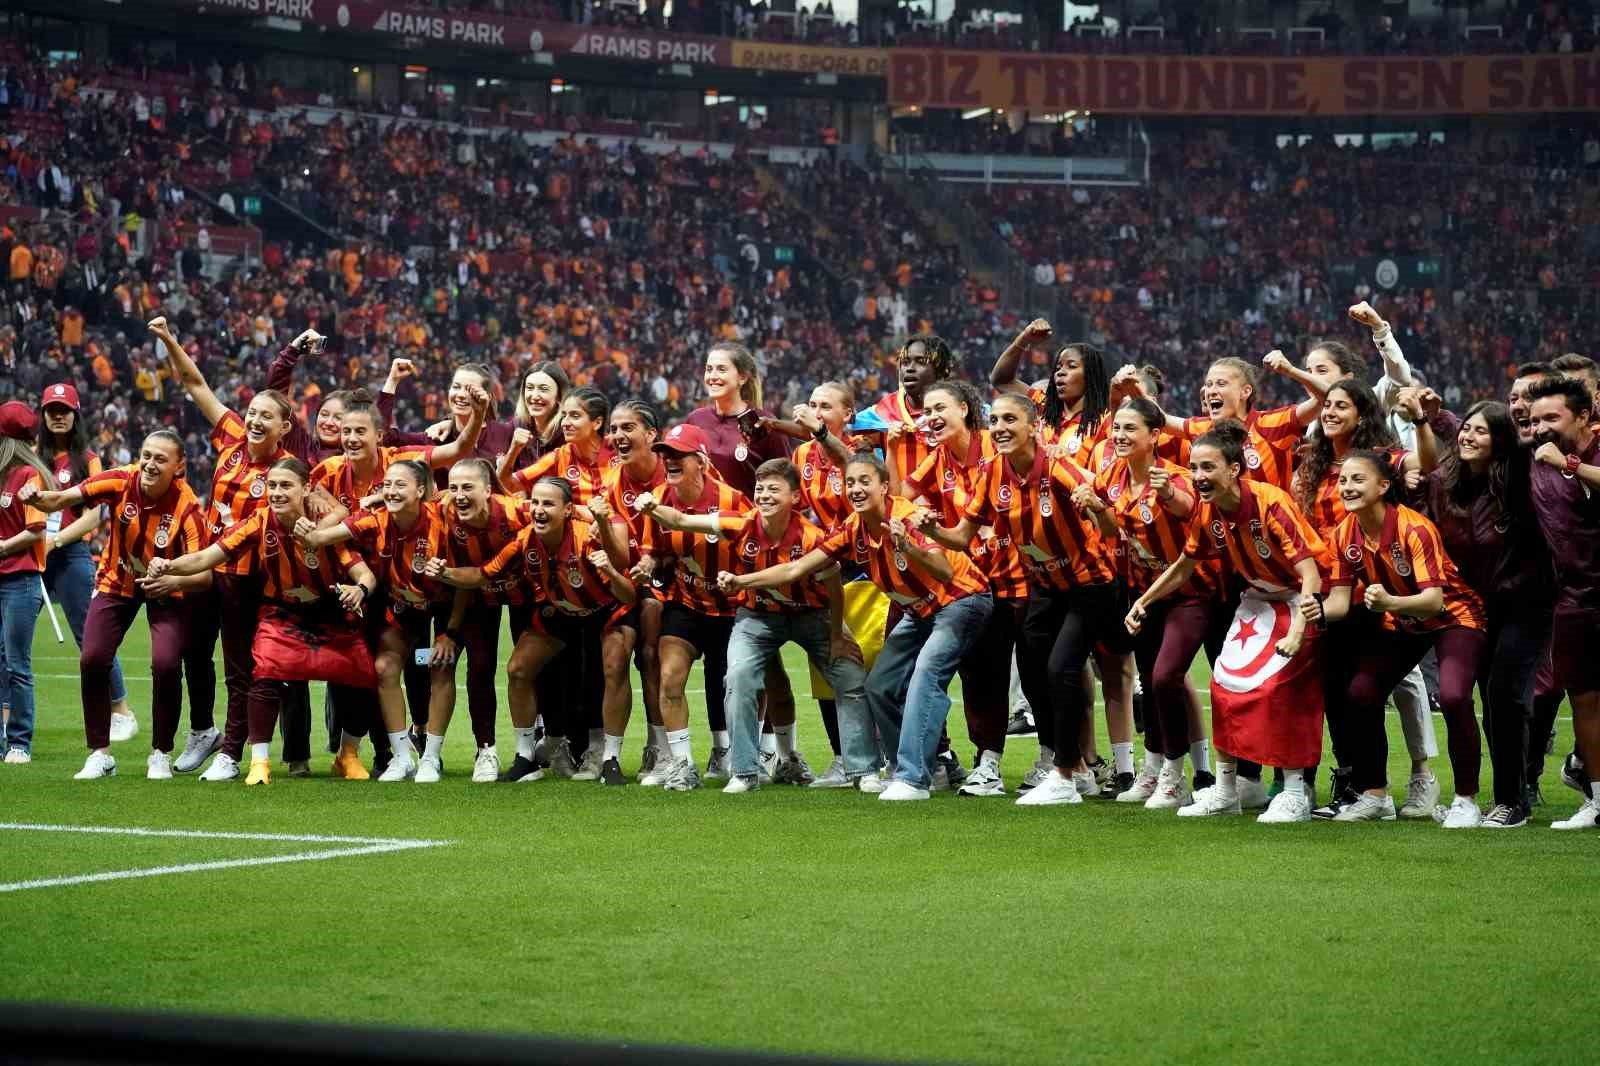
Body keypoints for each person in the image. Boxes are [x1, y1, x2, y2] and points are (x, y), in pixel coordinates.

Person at [726, 451, 992, 801]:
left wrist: (907, 546)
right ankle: (903, 769)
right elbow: (795, 569)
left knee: (925, 676)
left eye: (865, 481)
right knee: (880, 685)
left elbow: (944, 572)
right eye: (850, 482)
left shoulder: (906, 516)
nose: (855, 489)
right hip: (918, 612)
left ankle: (913, 778)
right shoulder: (853, 528)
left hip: (961, 601)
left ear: (884, 486)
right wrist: (742, 582)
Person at [1126, 421, 1332, 824]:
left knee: (1282, 689)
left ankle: (1295, 793)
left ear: (1234, 469)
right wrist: (1144, 602)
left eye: (1208, 467)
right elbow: (1185, 564)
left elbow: (1310, 573)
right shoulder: (1208, 510)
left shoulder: (1271, 502)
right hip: (1257, 600)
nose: (1198, 476)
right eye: (1194, 467)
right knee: (1222, 684)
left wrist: (1297, 631)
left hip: (1299, 598)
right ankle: (1226, 790)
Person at [921, 393, 1117, 806]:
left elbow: (1110, 528)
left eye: (1010, 419)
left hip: (1089, 583)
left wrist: (1097, 507)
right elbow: (961, 536)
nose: (1000, 428)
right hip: (1044, 586)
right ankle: (1077, 772)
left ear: (1033, 427)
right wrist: (930, 530)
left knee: (1063, 669)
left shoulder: (1059, 467)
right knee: (1036, 673)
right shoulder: (993, 471)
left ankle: (1066, 774)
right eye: (995, 420)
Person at [144, 458, 380, 786]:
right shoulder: (259, 522)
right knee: (265, 669)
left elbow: (365, 574)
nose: (277, 493)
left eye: (286, 486)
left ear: (306, 489)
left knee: (364, 672)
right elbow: (206, 557)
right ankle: (259, 762)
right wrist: (168, 565)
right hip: (283, 612)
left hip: (330, 612)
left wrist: (359, 590)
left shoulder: (326, 527)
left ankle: (348, 755)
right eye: (273, 486)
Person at [640, 459, 862, 792]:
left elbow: (828, 586)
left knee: (850, 677)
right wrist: (653, 508)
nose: (764, 495)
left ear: (795, 498)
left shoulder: (813, 536)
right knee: (739, 677)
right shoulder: (742, 523)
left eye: (774, 489)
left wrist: (837, 634)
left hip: (811, 614)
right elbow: (681, 520)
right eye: (760, 488)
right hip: (759, 615)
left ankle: (861, 770)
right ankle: (744, 771)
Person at [149, 316, 299, 780]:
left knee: (239, 667)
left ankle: (232, 754)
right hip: (209, 568)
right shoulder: (232, 436)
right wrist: (169, 339)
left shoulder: (284, 472)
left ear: (285, 426)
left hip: (245, 579)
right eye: (252, 412)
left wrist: (180, 568)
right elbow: (196, 385)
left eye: (266, 416)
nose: (254, 420)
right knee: (194, 651)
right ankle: (204, 732)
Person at [21, 430, 210, 781]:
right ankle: (100, 754)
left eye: (161, 459)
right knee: (92, 658)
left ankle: (160, 753)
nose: (150, 464)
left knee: (167, 664)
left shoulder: (188, 507)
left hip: (166, 588)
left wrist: (174, 581)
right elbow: (60, 499)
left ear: (179, 466)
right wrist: (36, 497)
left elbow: (205, 574)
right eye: (146, 455)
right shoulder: (121, 479)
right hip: (116, 580)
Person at [1318, 451, 1488, 826]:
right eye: (1343, 480)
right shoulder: (1344, 533)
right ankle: (1375, 795)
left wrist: (1390, 602)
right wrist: (1310, 611)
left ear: (1383, 486)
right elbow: (1340, 603)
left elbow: (1434, 601)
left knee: (1454, 695)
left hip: (1453, 616)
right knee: (1362, 691)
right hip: (1407, 621)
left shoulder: (1415, 528)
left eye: (1357, 479)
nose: (1347, 487)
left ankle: (1465, 801)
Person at [1295, 377, 1440, 817]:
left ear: (1363, 414)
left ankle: (1418, 777)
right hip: (1335, 590)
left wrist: (1420, 421)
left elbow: (1428, 462)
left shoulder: (1381, 458)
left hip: (1386, 595)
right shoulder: (1313, 463)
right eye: (1327, 405)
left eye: (1341, 405)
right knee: (1339, 691)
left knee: (1395, 687)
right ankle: (1357, 784)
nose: (1330, 412)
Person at [430, 477, 636, 786]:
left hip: (606, 611)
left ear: (568, 510)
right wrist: (445, 572)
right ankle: (526, 757)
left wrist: (608, 564)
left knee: (613, 667)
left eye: (548, 504)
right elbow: (481, 575)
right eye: (536, 502)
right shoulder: (525, 540)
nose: (538, 510)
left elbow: (629, 595)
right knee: (518, 668)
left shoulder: (586, 538)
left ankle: (610, 759)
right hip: (563, 612)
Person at [1422, 400, 1554, 828]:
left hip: (1524, 605)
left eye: (1480, 431)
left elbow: (1522, 448)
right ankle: (1508, 793)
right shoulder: (1445, 484)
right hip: (1473, 610)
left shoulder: (1518, 481)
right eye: (1466, 429)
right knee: (1490, 699)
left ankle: (1513, 800)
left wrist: (1441, 418)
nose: (1467, 437)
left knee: (1504, 694)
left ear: (1499, 439)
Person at [1083, 397, 1216, 809]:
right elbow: (1109, 530)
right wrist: (1095, 506)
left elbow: (1189, 508)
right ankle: (1155, 769)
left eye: (1130, 428)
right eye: (1116, 428)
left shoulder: (1173, 477)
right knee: (1150, 677)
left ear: (1154, 435)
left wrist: (1169, 495)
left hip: (1190, 592)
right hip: (1144, 593)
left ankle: (1177, 775)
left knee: (1164, 677)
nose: (1120, 436)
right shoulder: (1112, 476)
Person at [902, 380, 1026, 796]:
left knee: (1040, 672)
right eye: (926, 412)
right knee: (980, 673)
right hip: (975, 581)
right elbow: (906, 494)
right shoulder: (937, 459)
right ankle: (987, 763)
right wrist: (923, 511)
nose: (931, 418)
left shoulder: (996, 445)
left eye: (940, 408)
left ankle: (1068, 763)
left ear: (965, 409)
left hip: (1022, 577)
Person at [295, 459, 451, 782]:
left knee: (440, 669)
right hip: (403, 610)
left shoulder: (443, 521)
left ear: (420, 490)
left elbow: (462, 585)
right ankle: (402, 757)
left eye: (400, 485)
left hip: (446, 608)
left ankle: (431, 758)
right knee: (383, 668)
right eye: (387, 485)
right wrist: (309, 526)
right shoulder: (375, 519)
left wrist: (451, 632)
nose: (391, 491)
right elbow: (324, 537)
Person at [625, 423, 753, 787]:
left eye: (678, 455)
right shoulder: (658, 496)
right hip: (687, 603)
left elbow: (753, 549)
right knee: (670, 676)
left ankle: (735, 752)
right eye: (665, 454)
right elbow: (654, 551)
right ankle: (682, 764)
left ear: (701, 461)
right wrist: (646, 565)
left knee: (735, 681)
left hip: (733, 608)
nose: (669, 460)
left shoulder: (732, 501)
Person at [499, 386, 614, 776]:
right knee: (555, 669)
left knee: (599, 669)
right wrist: (514, 449)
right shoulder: (560, 457)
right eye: (564, 415)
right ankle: (552, 746)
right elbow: (509, 484)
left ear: (597, 422)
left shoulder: (617, 459)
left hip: (606, 575)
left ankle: (603, 748)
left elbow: (625, 513)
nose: (565, 422)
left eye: (574, 415)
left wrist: (591, 519)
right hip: (561, 579)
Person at [785, 382, 893, 787]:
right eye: (813, 405)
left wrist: (819, 432)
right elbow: (797, 506)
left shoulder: (862, 450)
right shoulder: (801, 455)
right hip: (827, 565)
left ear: (848, 415)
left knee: (874, 667)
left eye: (826, 406)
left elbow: (857, 475)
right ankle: (841, 758)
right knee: (829, 667)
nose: (816, 411)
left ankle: (885, 756)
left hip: (867, 567)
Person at [34, 382, 135, 742]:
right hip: (29, 553)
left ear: (76, 415)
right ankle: (8, 716)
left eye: (65, 410)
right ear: (43, 415)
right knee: (9, 637)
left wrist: (56, 540)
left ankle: (121, 711)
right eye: (52, 410)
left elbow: (93, 517)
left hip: (71, 555)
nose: (58, 416)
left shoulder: (88, 459)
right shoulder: (30, 456)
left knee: (90, 636)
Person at [421, 457, 533, 782]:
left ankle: (543, 744)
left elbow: (564, 514)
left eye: (467, 487)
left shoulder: (516, 512)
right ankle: (485, 750)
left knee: (531, 668)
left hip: (526, 593)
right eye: (454, 487)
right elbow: (461, 581)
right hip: (475, 595)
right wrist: (451, 630)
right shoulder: (444, 513)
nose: (459, 495)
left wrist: (595, 518)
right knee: (479, 666)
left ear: (487, 490)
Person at [1525, 376, 1600, 829]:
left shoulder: (1569, 457)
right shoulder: (1536, 459)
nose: (1541, 428)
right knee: (1585, 699)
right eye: (1535, 421)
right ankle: (1597, 799)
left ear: (1585, 416)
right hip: (1574, 598)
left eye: (1551, 418)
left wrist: (1569, 464)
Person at [592, 400, 670, 780]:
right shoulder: (611, 483)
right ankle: (610, 756)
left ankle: (660, 748)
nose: (618, 436)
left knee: (652, 656)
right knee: (614, 660)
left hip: (673, 580)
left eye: (628, 428)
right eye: (614, 429)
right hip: (625, 580)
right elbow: (621, 554)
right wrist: (603, 526)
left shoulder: (673, 472)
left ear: (651, 435)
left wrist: (655, 559)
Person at [0, 402, 53, 764]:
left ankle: (20, 742)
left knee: (17, 664)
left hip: (20, 580)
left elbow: (36, 530)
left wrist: (3, 547)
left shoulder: (28, 476)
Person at [683, 341, 791, 499]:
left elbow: (786, 482)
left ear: (742, 377)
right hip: (701, 514)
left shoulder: (763, 423)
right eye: (709, 369)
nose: (712, 376)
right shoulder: (695, 419)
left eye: (721, 369)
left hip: (747, 514)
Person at [870, 334, 956, 490]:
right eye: (905, 362)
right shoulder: (880, 413)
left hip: (956, 502)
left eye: (920, 362)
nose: (909, 368)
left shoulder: (965, 412)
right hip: (901, 501)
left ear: (941, 370)